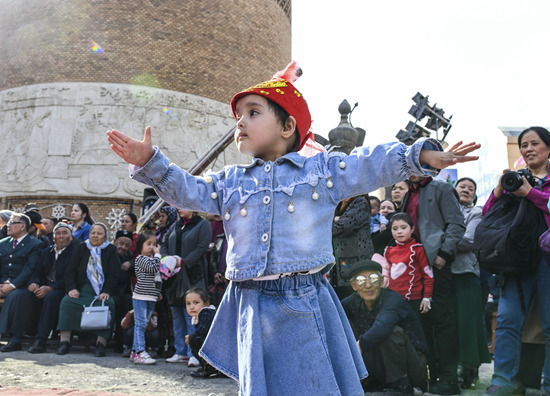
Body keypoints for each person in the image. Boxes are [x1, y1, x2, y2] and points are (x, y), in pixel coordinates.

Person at [107, 61, 479, 395]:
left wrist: (417, 154)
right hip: (250, 303)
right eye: (238, 116)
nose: (240, 122)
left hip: (302, 300)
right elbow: (188, 191)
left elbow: (370, 163)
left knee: (311, 385)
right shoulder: (229, 181)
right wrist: (152, 164)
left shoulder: (321, 172)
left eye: (253, 112)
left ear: (288, 126)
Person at [484, 127, 550, 396]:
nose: (528, 149)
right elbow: (489, 216)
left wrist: (530, 193)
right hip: (516, 259)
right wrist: (500, 190)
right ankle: (502, 381)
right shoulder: (515, 179)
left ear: (548, 148)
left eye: (535, 143)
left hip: (547, 260)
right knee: (509, 320)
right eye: (524, 144)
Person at [401, 174, 466, 394]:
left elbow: (456, 223)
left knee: (443, 321)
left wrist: (445, 253)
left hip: (436, 264)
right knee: (422, 322)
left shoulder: (441, 189)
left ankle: (449, 379)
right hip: (413, 269)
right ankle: (431, 375)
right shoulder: (409, 192)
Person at [342, 260, 428, 394]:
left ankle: (403, 386)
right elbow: (332, 313)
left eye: (374, 279)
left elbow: (382, 327)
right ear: (354, 285)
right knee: (344, 324)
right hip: (380, 366)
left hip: (412, 368)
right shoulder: (354, 301)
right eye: (361, 280)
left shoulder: (392, 299)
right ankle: (365, 382)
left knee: (390, 332)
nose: (368, 285)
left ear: (381, 281)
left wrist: (354, 350)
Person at [1, 222, 79, 353]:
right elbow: (36, 272)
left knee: (50, 298)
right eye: (58, 233)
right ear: (53, 237)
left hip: (61, 289)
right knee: (22, 295)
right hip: (43, 286)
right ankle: (16, 339)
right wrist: (34, 283)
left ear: (71, 236)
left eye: (65, 233)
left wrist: (51, 288)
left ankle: (41, 340)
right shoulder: (47, 251)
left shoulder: (76, 252)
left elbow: (72, 277)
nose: (61, 236)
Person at [56, 223, 120, 357]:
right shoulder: (82, 247)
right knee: (67, 302)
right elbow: (70, 270)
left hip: (101, 291)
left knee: (108, 304)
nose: (95, 236)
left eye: (99, 233)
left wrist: (107, 291)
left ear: (105, 236)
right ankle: (64, 342)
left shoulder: (110, 249)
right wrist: (72, 288)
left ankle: (101, 343)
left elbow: (115, 274)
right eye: (93, 233)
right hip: (82, 288)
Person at [452, 177, 491, 389]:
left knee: (469, 323)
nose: (466, 190)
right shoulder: (443, 209)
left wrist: (441, 245)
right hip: (444, 274)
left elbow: (468, 240)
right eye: (462, 186)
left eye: (471, 188)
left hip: (466, 271)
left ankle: (470, 369)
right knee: (450, 323)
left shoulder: (475, 213)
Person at [160, 209, 211, 367]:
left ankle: (194, 353)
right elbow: (164, 245)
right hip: (174, 277)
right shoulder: (176, 225)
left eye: (184, 205)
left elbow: (201, 248)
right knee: (177, 315)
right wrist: (168, 259)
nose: (180, 209)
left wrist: (183, 262)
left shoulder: (203, 225)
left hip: (193, 275)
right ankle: (180, 351)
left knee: (192, 314)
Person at [0, 213, 45, 348]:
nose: (8, 226)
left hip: (22, 285)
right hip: (2, 283)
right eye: (9, 223)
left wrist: (12, 285)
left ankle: (9, 336)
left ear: (22, 226)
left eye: (12, 223)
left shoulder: (35, 244)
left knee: (15, 296)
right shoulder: (2, 243)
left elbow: (29, 269)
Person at [384, 212, 433, 317]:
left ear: (412, 229)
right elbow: (385, 276)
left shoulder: (418, 249)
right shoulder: (388, 251)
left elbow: (428, 275)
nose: (399, 232)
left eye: (403, 227)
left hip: (414, 300)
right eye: (395, 229)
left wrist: (427, 297)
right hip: (393, 299)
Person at [129, 231, 163, 365]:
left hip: (151, 296)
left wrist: (158, 291)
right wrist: (158, 255)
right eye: (148, 244)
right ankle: (140, 352)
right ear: (140, 246)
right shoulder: (141, 259)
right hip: (141, 296)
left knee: (144, 324)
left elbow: (157, 277)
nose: (152, 247)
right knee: (140, 324)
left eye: (154, 244)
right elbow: (153, 268)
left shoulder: (154, 260)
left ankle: (134, 350)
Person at [331, 195, 374, 299]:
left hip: (356, 263)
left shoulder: (360, 202)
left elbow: (341, 228)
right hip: (340, 263)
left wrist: (334, 220)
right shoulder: (338, 203)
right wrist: (335, 219)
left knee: (355, 300)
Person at [184, 288, 221, 378]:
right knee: (194, 339)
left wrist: (190, 337)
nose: (191, 306)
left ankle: (210, 368)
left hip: (220, 347)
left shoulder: (206, 312)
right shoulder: (201, 314)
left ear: (206, 303)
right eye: (188, 303)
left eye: (196, 303)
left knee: (195, 339)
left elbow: (203, 331)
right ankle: (207, 367)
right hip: (217, 347)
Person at [112, 230, 135, 355]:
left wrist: (131, 264)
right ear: (115, 242)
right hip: (109, 290)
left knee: (127, 305)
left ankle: (120, 343)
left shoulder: (129, 256)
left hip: (123, 292)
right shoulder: (109, 253)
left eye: (127, 245)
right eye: (120, 244)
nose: (123, 247)